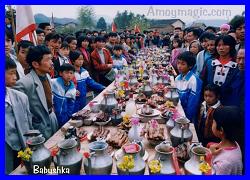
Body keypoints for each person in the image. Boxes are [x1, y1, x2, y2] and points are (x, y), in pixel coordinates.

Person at [13, 45, 58, 140]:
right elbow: (22, 114)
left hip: (52, 119)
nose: (52, 63)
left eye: (51, 59)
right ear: (35, 64)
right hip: (39, 128)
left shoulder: (47, 76)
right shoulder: (24, 83)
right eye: (47, 60)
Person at [5, 58, 33, 174]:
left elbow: (28, 124)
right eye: (11, 73)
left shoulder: (21, 97)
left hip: (21, 146)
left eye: (15, 72)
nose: (15, 76)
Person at [203, 35, 240, 106]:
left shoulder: (237, 65)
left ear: (231, 46)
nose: (221, 48)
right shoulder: (210, 62)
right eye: (218, 45)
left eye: (225, 45)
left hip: (229, 104)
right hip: (210, 102)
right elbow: (204, 81)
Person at [208, 106, 243, 175]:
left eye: (214, 121)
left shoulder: (224, 164)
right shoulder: (235, 143)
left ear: (221, 130)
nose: (212, 123)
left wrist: (210, 156)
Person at [175, 51, 202, 126]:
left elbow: (193, 103)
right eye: (178, 63)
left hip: (188, 115)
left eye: (183, 64)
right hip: (179, 112)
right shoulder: (177, 78)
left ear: (190, 66)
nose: (179, 66)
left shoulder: (194, 80)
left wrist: (187, 120)